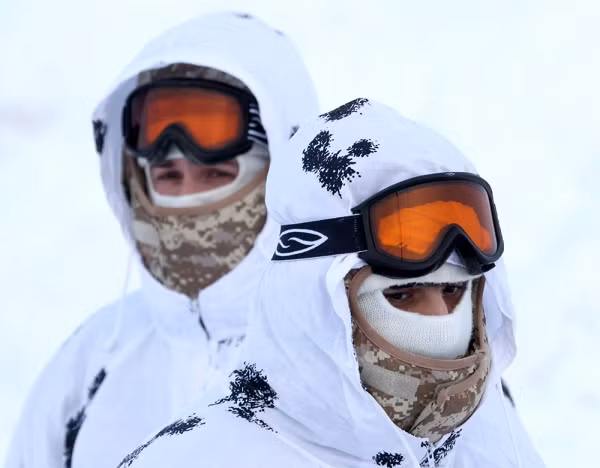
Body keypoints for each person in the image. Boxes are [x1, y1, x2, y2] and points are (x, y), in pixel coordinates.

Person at [115, 98, 545, 467]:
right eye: (401, 294)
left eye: (452, 291)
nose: (440, 324)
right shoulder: (197, 458)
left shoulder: (487, 433)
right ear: (315, 306)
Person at [4, 12, 318, 468]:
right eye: (168, 177)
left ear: (286, 178)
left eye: (217, 174)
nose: (188, 201)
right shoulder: (93, 365)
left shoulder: (358, 368)